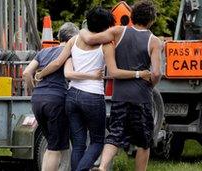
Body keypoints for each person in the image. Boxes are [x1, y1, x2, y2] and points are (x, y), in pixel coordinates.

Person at [35, 7, 151, 171]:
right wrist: (139, 74)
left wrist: (40, 74)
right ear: (106, 27)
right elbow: (114, 72)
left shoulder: (74, 40)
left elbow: (56, 63)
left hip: (72, 95)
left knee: (78, 144)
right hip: (93, 97)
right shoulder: (106, 45)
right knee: (97, 142)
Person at [79, 1, 162, 171]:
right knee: (144, 142)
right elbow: (156, 73)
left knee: (115, 135)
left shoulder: (118, 32)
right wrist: (150, 84)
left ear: (132, 16)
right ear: (152, 20)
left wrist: (81, 30)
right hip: (142, 98)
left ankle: (102, 167)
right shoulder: (154, 42)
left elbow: (90, 38)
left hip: (120, 96)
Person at [23, 22, 84, 171]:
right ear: (74, 38)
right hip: (56, 101)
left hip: (37, 100)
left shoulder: (43, 52)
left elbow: (26, 73)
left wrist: (35, 90)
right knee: (54, 148)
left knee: (51, 144)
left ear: (59, 36)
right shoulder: (70, 53)